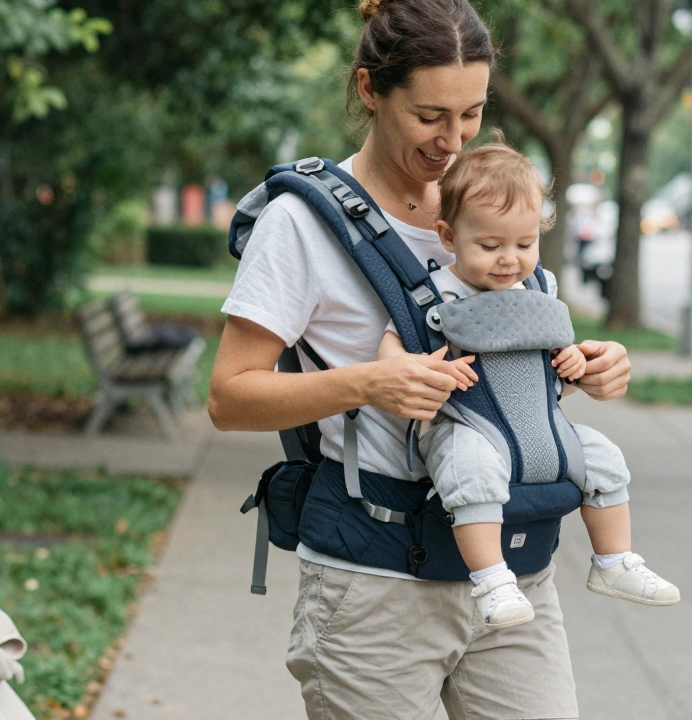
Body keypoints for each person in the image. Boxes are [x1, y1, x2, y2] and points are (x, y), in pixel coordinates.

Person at [207, 0, 633, 717]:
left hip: (513, 577)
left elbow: (521, 368)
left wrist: (592, 365)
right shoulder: (302, 225)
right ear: (371, 90)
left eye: (471, 114)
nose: (453, 140)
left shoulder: (490, 203)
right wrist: (370, 382)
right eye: (431, 115)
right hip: (373, 588)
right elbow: (228, 397)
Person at [377, 138, 680, 630]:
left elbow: (552, 356)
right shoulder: (433, 295)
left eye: (524, 244)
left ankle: (614, 560)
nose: (509, 260)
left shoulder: (539, 288)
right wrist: (417, 371)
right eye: (490, 245)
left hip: (538, 423)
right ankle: (493, 579)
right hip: (464, 423)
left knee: (603, 457)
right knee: (471, 473)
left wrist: (573, 361)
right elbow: (390, 354)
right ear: (448, 236)